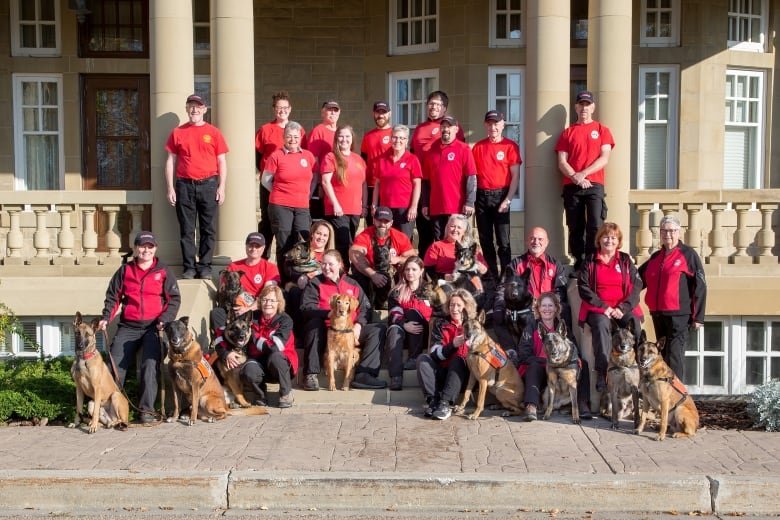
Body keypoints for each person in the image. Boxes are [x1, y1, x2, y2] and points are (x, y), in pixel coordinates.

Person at [97, 231, 181, 424]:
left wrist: (164, 319)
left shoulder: (163, 271)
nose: (146, 250)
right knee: (114, 365)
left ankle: (147, 411)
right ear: (135, 248)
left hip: (154, 327)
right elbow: (113, 297)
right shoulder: (125, 271)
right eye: (142, 246)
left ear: (155, 248)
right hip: (129, 326)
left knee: (149, 366)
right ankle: (109, 410)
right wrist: (105, 318)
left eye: (150, 246)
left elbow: (174, 299)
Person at [300, 250, 387, 391]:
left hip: (350, 329)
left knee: (379, 329)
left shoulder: (352, 283)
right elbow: (306, 308)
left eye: (330, 264)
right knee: (314, 324)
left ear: (340, 264)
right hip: (327, 330)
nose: (326, 267)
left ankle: (364, 374)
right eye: (323, 264)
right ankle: (311, 374)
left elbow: (366, 307)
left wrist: (359, 325)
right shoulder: (315, 283)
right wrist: (327, 313)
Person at [165, 94, 229, 279]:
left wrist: (221, 187)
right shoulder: (178, 132)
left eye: (198, 106)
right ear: (187, 109)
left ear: (204, 110)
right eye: (191, 106)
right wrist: (170, 188)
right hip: (184, 185)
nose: (194, 109)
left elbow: (222, 161)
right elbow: (170, 161)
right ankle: (189, 267)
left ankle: (205, 266)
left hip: (209, 185)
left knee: (208, 228)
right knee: (187, 229)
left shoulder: (214, 133)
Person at [638, 215, 707, 381]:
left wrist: (698, 317)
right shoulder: (656, 257)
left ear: (678, 232)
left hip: (679, 315)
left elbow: (700, 285)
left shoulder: (688, 255)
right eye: (664, 231)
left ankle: (676, 394)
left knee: (675, 356)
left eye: (671, 230)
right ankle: (664, 396)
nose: (667, 234)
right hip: (658, 313)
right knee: (663, 355)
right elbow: (637, 280)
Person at [577, 222, 643, 393]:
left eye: (613, 237)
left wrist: (624, 307)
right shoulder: (590, 261)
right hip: (599, 309)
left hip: (622, 308)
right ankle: (603, 372)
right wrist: (604, 307)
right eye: (606, 237)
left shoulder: (625, 260)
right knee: (600, 326)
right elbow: (583, 287)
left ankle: (639, 369)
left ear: (618, 241)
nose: (609, 241)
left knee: (634, 324)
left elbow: (637, 285)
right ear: (599, 239)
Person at [556, 90, 614, 273]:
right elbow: (561, 161)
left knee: (595, 224)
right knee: (575, 226)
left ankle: (592, 261)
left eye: (587, 104)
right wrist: (576, 177)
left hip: (594, 184)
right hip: (572, 185)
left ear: (593, 107)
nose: (584, 108)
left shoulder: (602, 130)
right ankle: (579, 262)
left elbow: (605, 158)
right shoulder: (568, 133)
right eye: (581, 104)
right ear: (576, 107)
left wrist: (584, 174)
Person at [215, 285, 297, 409]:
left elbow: (275, 347)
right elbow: (223, 331)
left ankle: (285, 393)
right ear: (259, 302)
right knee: (249, 370)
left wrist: (253, 336)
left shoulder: (286, 320)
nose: (267, 303)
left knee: (275, 357)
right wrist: (226, 353)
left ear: (279, 303)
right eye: (264, 299)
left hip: (281, 364)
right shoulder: (252, 316)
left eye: (272, 300)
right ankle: (261, 395)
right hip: (258, 361)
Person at [517, 292, 593, 421]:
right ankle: (531, 405)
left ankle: (582, 404)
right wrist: (547, 361)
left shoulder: (563, 328)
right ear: (538, 308)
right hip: (540, 369)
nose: (547, 309)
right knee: (534, 367)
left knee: (583, 364)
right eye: (543, 305)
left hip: (563, 367)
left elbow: (575, 350)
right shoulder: (531, 327)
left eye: (550, 305)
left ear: (556, 308)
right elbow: (524, 355)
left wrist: (569, 361)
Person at [493, 226, 571, 349]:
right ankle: (512, 354)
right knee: (498, 318)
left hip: (547, 309)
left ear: (546, 243)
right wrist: (498, 306)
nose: (536, 242)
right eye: (532, 238)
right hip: (523, 309)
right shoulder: (516, 264)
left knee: (565, 309)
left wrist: (546, 305)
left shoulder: (555, 264)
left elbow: (560, 291)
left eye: (540, 239)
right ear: (527, 241)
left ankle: (568, 350)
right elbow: (503, 288)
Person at [410, 91, 465, 257]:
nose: (433, 107)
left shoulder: (451, 127)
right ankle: (425, 272)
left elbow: (459, 155)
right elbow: (412, 155)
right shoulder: (419, 129)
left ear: (445, 108)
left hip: (445, 188)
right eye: (431, 104)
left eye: (437, 104)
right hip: (422, 185)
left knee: (447, 234)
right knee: (424, 232)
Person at [255, 91, 307, 259]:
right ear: (273, 109)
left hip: (293, 188)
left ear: (290, 109)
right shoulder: (265, 130)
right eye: (279, 108)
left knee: (289, 226)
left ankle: (292, 258)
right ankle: (263, 258)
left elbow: (303, 154)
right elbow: (258, 156)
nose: (282, 111)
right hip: (270, 183)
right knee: (267, 221)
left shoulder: (299, 130)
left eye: (285, 108)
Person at [472, 110, 521, 280]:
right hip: (481, 196)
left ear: (502, 125)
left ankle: (506, 276)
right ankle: (491, 275)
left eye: (496, 123)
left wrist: (508, 199)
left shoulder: (510, 146)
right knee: (485, 240)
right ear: (486, 125)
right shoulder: (478, 147)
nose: (493, 127)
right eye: (490, 124)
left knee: (503, 241)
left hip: (501, 195)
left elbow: (515, 176)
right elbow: (473, 176)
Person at [416, 288, 476, 421]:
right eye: (451, 305)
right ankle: (433, 401)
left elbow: (477, 354)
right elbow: (434, 354)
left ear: (467, 307)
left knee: (458, 360)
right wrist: (452, 345)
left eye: (458, 305)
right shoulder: (440, 323)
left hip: (464, 376)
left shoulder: (473, 325)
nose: (454, 309)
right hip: (443, 371)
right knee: (423, 359)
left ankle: (445, 404)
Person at [261, 121, 316, 264]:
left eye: (296, 137)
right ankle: (284, 280)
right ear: (284, 137)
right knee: (284, 242)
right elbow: (265, 180)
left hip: (302, 206)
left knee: (303, 240)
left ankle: (300, 278)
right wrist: (280, 192)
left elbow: (315, 176)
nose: (293, 140)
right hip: (280, 206)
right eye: (289, 136)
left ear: (300, 138)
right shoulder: (276, 156)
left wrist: (309, 192)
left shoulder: (308, 156)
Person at [209, 232, 280, 335]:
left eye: (257, 246)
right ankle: (222, 342)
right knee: (217, 313)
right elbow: (223, 288)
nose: (254, 249)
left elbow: (268, 292)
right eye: (251, 245)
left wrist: (248, 308)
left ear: (263, 248)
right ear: (246, 246)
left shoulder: (270, 267)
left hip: (257, 306)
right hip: (234, 304)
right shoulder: (234, 266)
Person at [348, 206, 417, 309]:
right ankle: (364, 308)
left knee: (407, 271)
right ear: (373, 220)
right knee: (357, 271)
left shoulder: (399, 236)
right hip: (369, 273)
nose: (382, 224)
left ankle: (400, 306)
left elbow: (414, 258)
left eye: (386, 221)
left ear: (391, 223)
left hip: (391, 274)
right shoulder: (365, 235)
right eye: (379, 220)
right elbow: (354, 253)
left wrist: (398, 259)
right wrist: (372, 274)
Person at [422, 115, 477, 241]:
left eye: (449, 126)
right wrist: (425, 203)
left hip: (456, 207)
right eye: (443, 126)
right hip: (436, 207)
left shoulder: (464, 149)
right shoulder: (431, 150)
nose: (446, 129)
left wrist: (469, 202)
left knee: (458, 241)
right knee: (439, 240)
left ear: (456, 129)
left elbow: (471, 177)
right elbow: (426, 181)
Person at [321, 125, 367, 270]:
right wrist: (335, 204)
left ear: (352, 138)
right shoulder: (331, 157)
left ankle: (346, 273)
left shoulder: (358, 159)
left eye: (347, 136)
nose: (344, 139)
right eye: (341, 136)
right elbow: (325, 181)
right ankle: (343, 274)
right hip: (338, 210)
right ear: (336, 139)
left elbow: (363, 184)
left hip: (355, 210)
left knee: (351, 242)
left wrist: (364, 205)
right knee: (343, 243)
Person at [283, 220, 336, 341]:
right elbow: (287, 266)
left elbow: (339, 272)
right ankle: (298, 334)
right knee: (295, 293)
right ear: (312, 234)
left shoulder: (331, 254)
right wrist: (300, 277)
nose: (321, 237)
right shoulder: (301, 248)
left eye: (325, 235)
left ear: (329, 238)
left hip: (321, 288)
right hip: (300, 287)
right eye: (318, 233)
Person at [386, 256, 434, 388]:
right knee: (394, 329)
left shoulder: (430, 291)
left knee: (413, 313)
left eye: (414, 269)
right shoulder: (396, 292)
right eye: (407, 269)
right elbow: (394, 314)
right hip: (404, 334)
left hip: (425, 333)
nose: (410, 273)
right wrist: (404, 325)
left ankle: (414, 357)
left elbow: (437, 313)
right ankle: (396, 377)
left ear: (421, 271)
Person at [372, 124, 422, 239]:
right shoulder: (382, 159)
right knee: (384, 240)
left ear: (406, 141)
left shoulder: (412, 159)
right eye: (395, 137)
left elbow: (417, 184)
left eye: (401, 138)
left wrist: (414, 206)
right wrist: (374, 204)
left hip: (404, 209)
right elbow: (378, 184)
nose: (398, 140)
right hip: (385, 208)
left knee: (403, 240)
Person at [423, 213, 488, 283]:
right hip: (444, 283)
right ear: (447, 228)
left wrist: (480, 267)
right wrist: (445, 277)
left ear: (464, 231)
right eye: (452, 226)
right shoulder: (436, 246)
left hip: (468, 284)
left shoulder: (471, 248)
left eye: (459, 227)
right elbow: (428, 272)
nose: (455, 230)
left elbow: (485, 271)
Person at [361, 100, 393, 228]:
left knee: (387, 223)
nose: (380, 115)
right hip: (370, 185)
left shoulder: (394, 134)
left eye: (384, 112)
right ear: (373, 114)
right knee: (372, 224)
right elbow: (363, 160)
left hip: (387, 185)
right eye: (378, 112)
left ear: (389, 114)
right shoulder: (368, 136)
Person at [307, 100, 341, 220]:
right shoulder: (318, 131)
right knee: (319, 222)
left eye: (335, 110)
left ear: (339, 113)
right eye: (329, 110)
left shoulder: (341, 133)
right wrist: (319, 184)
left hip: (337, 184)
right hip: (322, 185)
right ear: (323, 112)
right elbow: (313, 161)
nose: (332, 113)